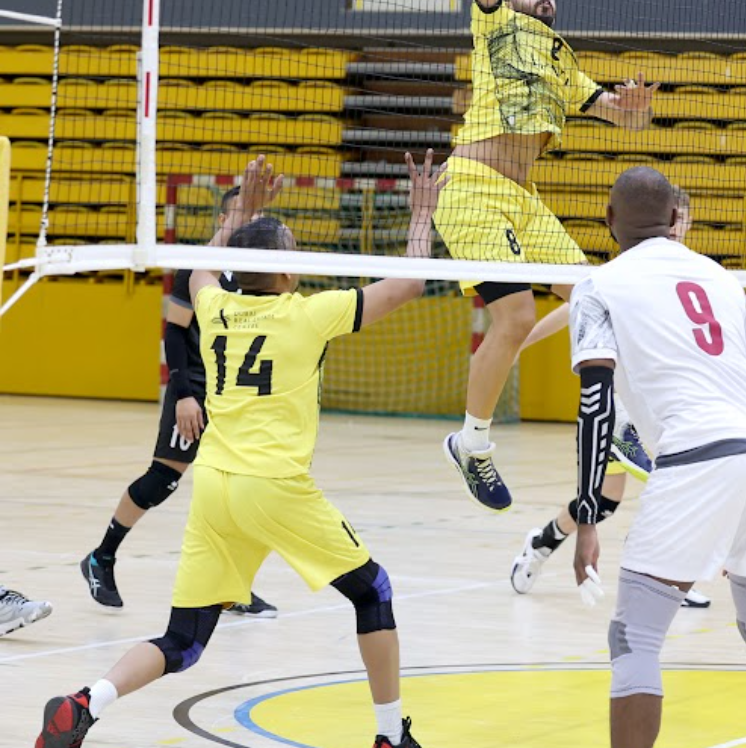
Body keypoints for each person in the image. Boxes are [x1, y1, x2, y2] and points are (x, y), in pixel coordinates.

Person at [36, 154, 444, 748]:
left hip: (217, 488)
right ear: (279, 269)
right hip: (273, 485)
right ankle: (389, 737)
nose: (301, 256)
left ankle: (85, 703)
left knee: (183, 642)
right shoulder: (310, 314)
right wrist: (421, 216)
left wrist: (242, 212)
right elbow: (409, 284)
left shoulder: (217, 306)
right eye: (293, 249)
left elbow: (201, 271)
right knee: (372, 592)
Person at [430, 0, 658, 513]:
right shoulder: (494, 22)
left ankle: (617, 428)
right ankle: (472, 442)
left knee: (599, 298)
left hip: (526, 202)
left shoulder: (563, 60)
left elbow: (622, 114)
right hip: (472, 186)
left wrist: (637, 105)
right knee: (518, 312)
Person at [569, 167, 746, 748]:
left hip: (699, 453)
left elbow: (595, 403)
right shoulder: (721, 277)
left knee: (635, 636)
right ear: (676, 220)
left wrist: (586, 516)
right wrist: (742, 507)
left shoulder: (597, 285)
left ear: (608, 220)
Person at [508, 189, 710, 609]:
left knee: (604, 504)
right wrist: (519, 342)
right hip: (615, 412)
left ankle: (541, 542)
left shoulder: (689, 274)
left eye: (684, 220)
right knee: (671, 484)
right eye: (675, 218)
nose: (679, 226)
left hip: (651, 408)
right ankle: (669, 581)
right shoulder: (624, 272)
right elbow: (572, 308)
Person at [80, 186, 275, 618]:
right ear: (226, 218)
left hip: (231, 394)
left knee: (239, 486)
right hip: (194, 390)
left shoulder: (256, 269)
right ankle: (101, 557)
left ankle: (231, 586)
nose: (254, 221)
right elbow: (173, 331)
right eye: (247, 213)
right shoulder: (201, 264)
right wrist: (184, 394)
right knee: (162, 480)